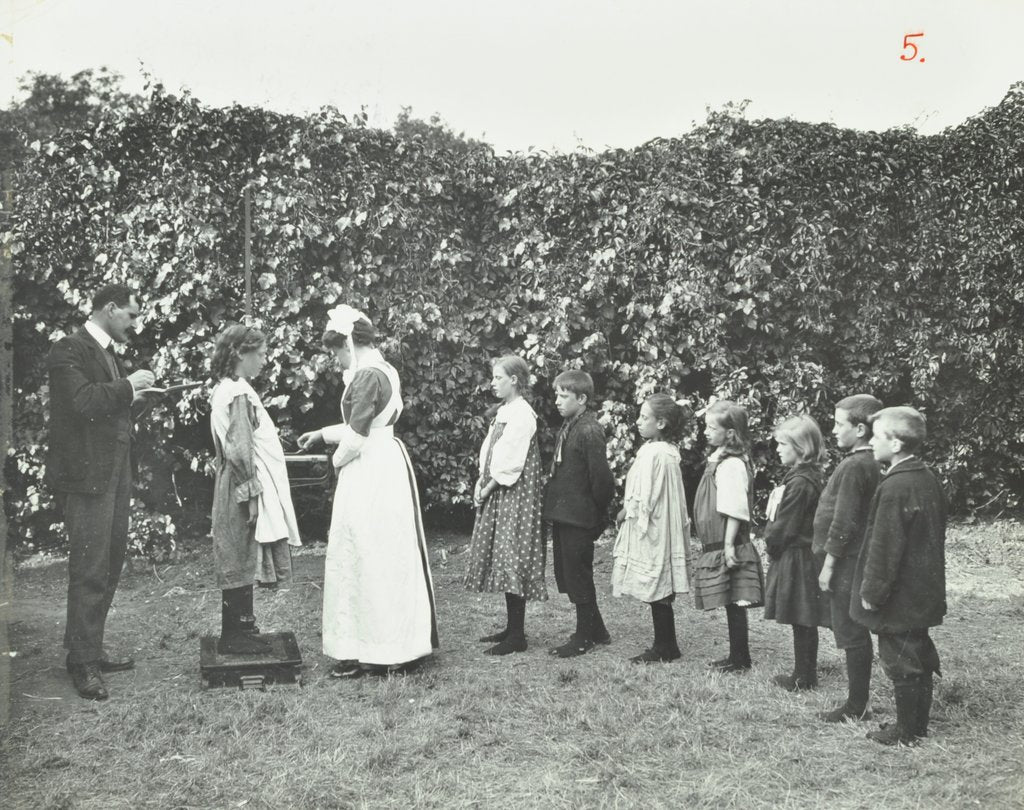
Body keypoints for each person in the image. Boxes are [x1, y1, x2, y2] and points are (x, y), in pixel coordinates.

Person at [298, 305, 438, 678]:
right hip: (388, 460)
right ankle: (400, 643)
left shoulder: (365, 377)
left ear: (348, 344)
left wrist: (334, 461)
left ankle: (372, 649)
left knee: (364, 551)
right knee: (389, 551)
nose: (337, 360)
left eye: (338, 352)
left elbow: (358, 436)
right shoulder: (385, 369)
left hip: (369, 469)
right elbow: (370, 424)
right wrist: (324, 434)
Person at [46, 283, 156, 700]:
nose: (135, 323)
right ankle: (83, 663)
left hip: (113, 473)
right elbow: (83, 403)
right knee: (90, 567)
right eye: (131, 314)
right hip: (86, 477)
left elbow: (107, 409)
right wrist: (129, 385)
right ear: (109, 310)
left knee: (109, 562)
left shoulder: (107, 353)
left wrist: (139, 398)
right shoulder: (67, 350)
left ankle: (88, 648)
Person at [851, 406, 947, 746]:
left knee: (900, 659)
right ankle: (916, 725)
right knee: (918, 653)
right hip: (922, 590)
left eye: (877, 437)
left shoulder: (895, 487)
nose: (871, 443)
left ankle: (906, 732)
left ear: (894, 444)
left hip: (899, 594)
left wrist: (872, 591)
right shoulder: (926, 477)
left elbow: (884, 546)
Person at [209, 324, 301, 655]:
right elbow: (239, 448)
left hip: (239, 480)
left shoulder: (232, 387)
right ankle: (233, 635)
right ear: (240, 354)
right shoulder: (235, 393)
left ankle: (243, 627)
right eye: (260, 354)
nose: (264, 360)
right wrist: (250, 496)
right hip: (241, 483)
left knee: (244, 552)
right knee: (239, 552)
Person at [465, 355, 547, 655]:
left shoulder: (523, 413)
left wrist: (488, 487)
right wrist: (480, 481)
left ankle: (518, 636)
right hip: (500, 490)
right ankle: (512, 628)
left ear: (514, 380)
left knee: (513, 553)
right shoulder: (505, 410)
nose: (493, 383)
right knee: (503, 553)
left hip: (514, 493)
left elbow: (511, 461)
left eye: (499, 378)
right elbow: (491, 451)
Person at [813, 394, 882, 722]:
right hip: (854, 560)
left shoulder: (855, 465)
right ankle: (858, 701)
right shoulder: (867, 462)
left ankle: (856, 705)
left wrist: (828, 565)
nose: (833, 430)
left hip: (847, 562)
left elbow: (845, 521)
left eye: (839, 424)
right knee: (853, 628)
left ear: (859, 429)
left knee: (852, 630)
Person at [610, 394, 692, 664]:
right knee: (658, 581)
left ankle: (666, 646)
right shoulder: (657, 450)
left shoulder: (658, 454)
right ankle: (664, 643)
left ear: (662, 423)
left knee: (658, 580)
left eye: (645, 417)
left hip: (656, 523)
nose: (638, 422)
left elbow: (646, 496)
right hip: (658, 521)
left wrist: (626, 512)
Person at [543, 369, 616, 658]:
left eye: (564, 396)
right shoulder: (571, 425)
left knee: (579, 575)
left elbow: (602, 480)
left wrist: (597, 514)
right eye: (557, 395)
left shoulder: (588, 430)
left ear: (582, 398)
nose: (558, 402)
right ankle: (596, 629)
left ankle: (585, 636)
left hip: (580, 517)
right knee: (570, 574)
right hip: (566, 515)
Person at [691, 400, 764, 673]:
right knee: (731, 599)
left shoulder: (732, 464)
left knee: (735, 599)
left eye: (712, 427)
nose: (705, 432)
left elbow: (735, 508)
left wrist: (729, 544)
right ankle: (737, 655)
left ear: (730, 433)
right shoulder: (719, 459)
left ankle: (740, 658)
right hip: (720, 541)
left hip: (728, 542)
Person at [763, 415, 827, 691]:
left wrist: (770, 544)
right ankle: (804, 672)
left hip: (797, 555)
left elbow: (784, 526)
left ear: (800, 447)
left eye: (782, 444)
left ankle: (804, 676)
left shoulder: (800, 483)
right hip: (800, 552)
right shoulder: (804, 477)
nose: (777, 449)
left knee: (802, 616)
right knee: (802, 617)